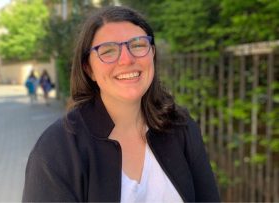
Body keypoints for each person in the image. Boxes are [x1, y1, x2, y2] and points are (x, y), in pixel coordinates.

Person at [22, 6, 220, 202]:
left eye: (138, 45)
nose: (127, 59)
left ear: (152, 53)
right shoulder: (57, 150)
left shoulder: (179, 126)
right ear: (88, 69)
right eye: (108, 51)